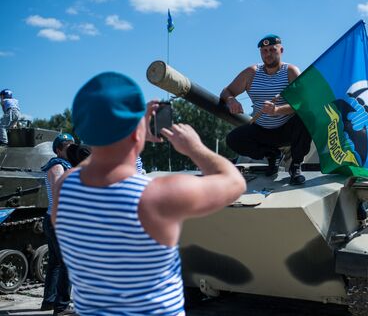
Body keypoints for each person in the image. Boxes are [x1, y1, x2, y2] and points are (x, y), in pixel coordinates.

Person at [51, 72, 246, 315]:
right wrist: (195, 148)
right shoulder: (155, 196)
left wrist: (131, 130)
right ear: (136, 130)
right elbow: (234, 182)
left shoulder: (65, 187)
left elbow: (95, 165)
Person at [221, 34, 312, 185]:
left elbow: (303, 104)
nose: (268, 54)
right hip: (262, 129)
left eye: (272, 49)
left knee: (306, 118)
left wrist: (277, 110)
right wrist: (231, 100)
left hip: (287, 129)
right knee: (233, 139)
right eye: (264, 51)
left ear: (281, 50)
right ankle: (272, 155)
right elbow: (226, 91)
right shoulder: (251, 73)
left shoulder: (291, 72)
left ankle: (295, 166)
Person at [40, 133, 75, 315]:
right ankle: (61, 306)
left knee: (55, 262)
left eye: (72, 144)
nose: (71, 148)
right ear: (58, 150)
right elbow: (60, 192)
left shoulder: (67, 165)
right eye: (67, 146)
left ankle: (50, 301)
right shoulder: (57, 166)